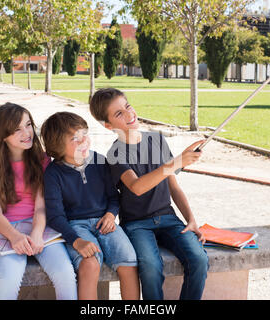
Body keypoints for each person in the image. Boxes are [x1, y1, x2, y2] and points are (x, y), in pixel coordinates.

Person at [89, 88, 209, 300]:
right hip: (137, 224)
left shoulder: (157, 140)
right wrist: (177, 161)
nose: (128, 114)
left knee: (199, 259)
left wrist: (191, 219)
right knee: (151, 267)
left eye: (127, 106)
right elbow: (137, 187)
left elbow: (173, 185)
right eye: (118, 114)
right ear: (108, 125)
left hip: (169, 218)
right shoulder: (115, 154)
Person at [0, 103, 77, 300]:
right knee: (9, 280)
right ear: (3, 135)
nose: (27, 133)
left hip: (40, 227)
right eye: (17, 129)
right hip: (6, 230)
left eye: (28, 125)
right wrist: (15, 237)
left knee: (65, 273)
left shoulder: (41, 159)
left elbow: (41, 205)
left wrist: (36, 233)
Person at [41, 112, 139, 300]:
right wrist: (76, 240)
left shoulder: (100, 161)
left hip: (105, 222)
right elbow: (55, 216)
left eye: (84, 134)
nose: (83, 141)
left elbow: (113, 197)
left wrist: (111, 214)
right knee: (90, 263)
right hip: (74, 226)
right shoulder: (53, 173)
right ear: (57, 147)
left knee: (128, 262)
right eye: (74, 139)